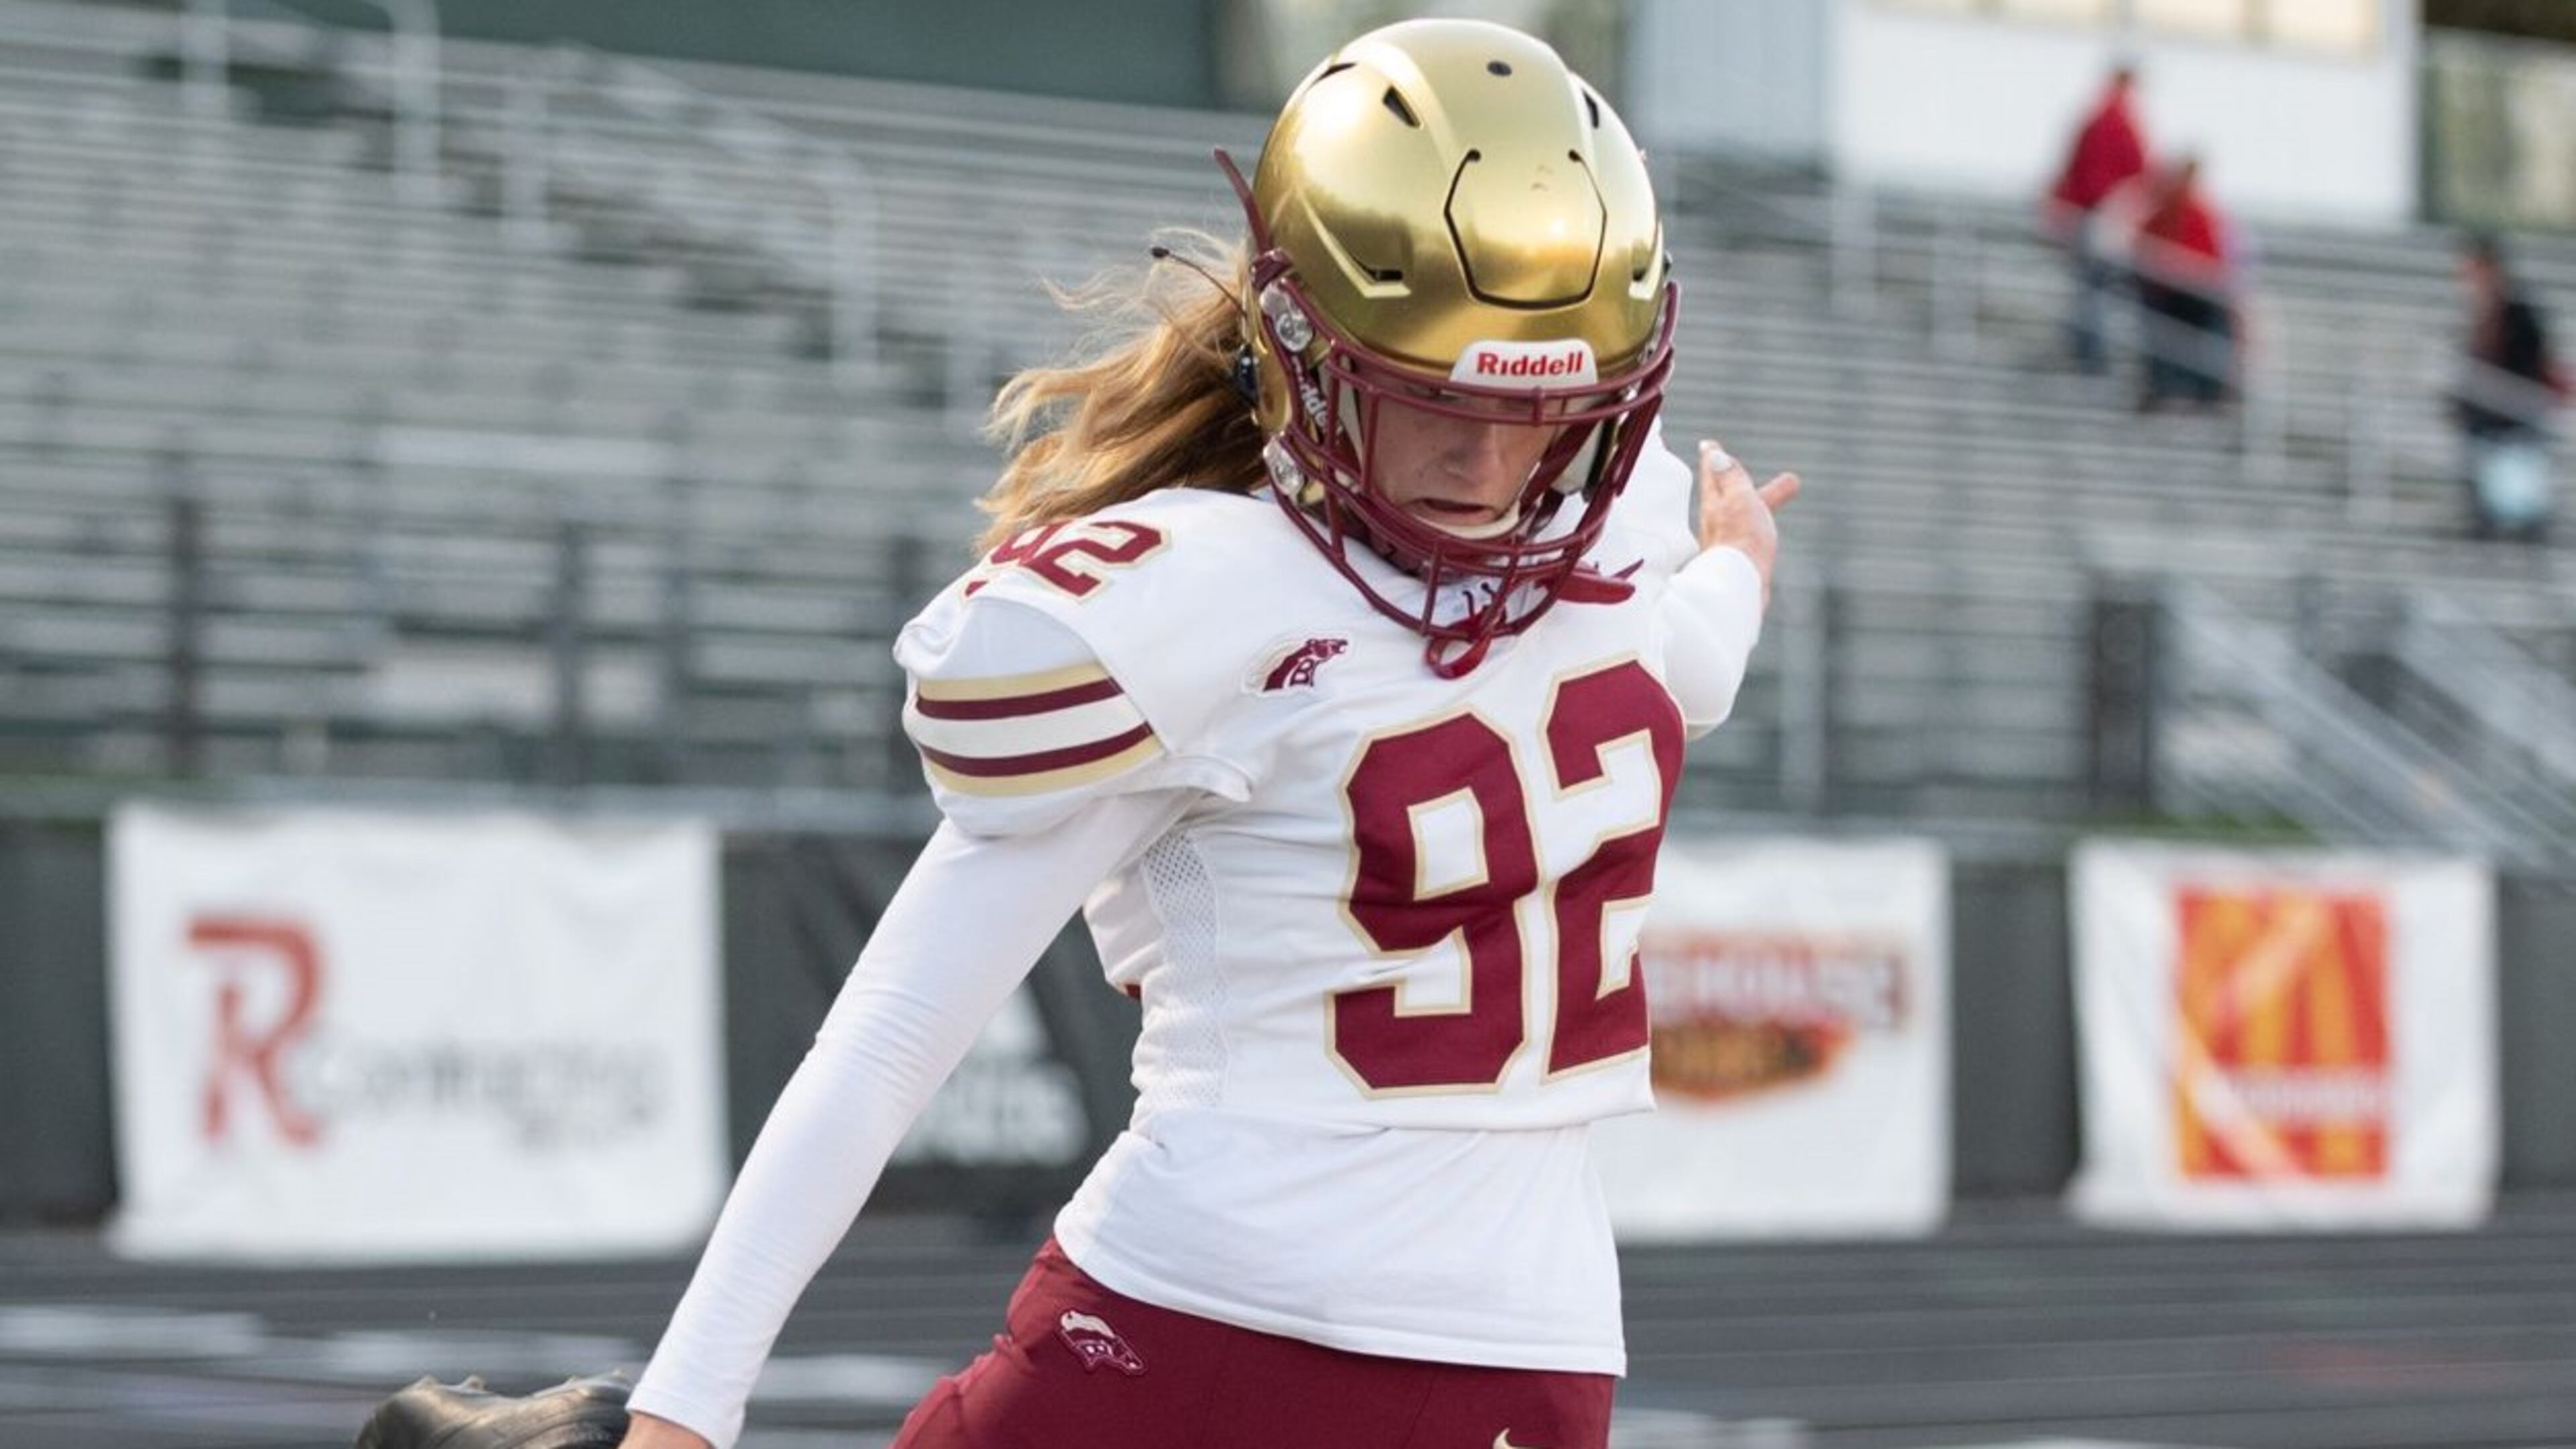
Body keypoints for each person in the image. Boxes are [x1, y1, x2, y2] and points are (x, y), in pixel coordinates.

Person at [613, 19, 1794, 1449]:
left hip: (1206, 1335)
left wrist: (680, 1413)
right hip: (1529, 1381)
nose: (1489, 466)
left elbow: (885, 1044)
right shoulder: (1625, 555)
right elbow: (1690, 668)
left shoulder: (1224, 600)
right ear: (1297, 346)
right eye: (1434, 402)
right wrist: (1733, 569)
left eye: (1531, 413)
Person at [2454, 233, 2565, 541]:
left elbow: (2533, 364)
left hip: (2514, 420)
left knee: (2520, 490)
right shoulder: (2477, 316)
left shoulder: (2518, 314)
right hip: (2486, 423)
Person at [2045, 64, 2150, 375]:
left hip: (2091, 214)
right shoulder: (2118, 122)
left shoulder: (2097, 118)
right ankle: (2090, 356)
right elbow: (2137, 172)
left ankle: (2084, 350)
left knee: (2092, 288)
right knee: (2097, 289)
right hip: (2100, 216)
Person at [2131, 156, 2239, 413]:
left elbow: (2215, 262)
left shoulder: (2200, 213)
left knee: (2210, 334)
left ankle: (2206, 391)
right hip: (2171, 295)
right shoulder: (2168, 212)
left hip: (2194, 295)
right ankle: (2178, 389)